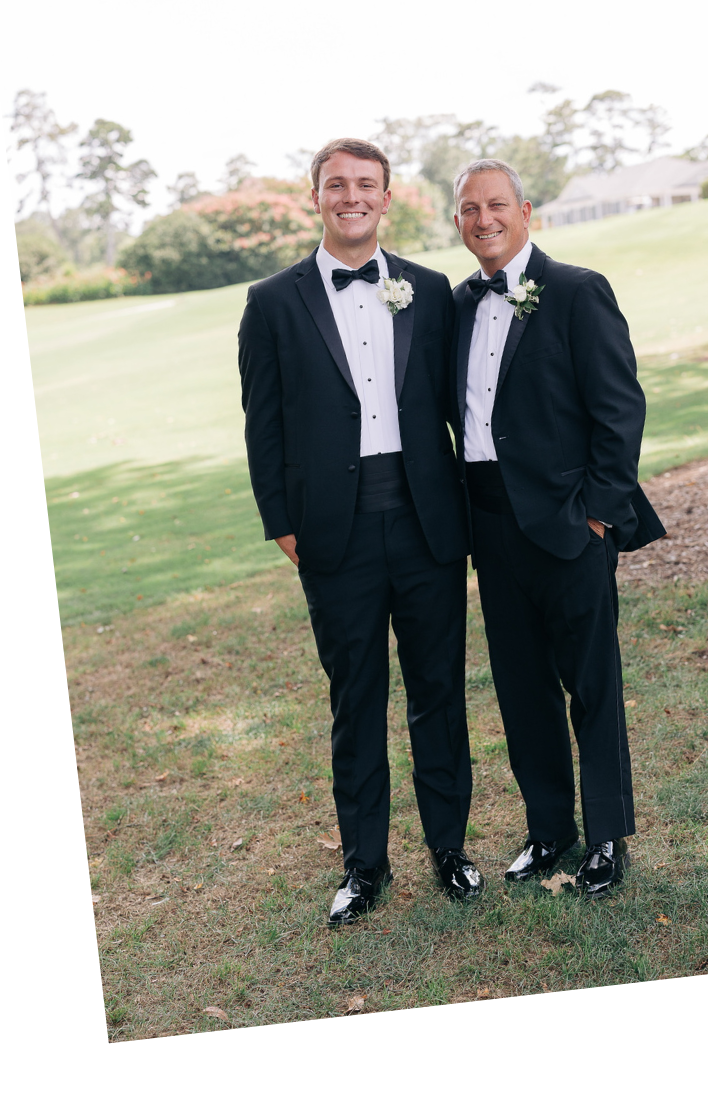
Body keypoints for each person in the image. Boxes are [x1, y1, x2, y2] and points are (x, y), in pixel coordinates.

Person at [237, 139, 475, 926]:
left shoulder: (431, 290)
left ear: (386, 197)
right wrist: (282, 524)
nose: (351, 197)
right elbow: (263, 425)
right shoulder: (272, 302)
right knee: (357, 701)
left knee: (438, 693)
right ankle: (364, 866)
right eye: (336, 185)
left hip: (426, 525)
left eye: (365, 185)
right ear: (316, 197)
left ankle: (449, 849)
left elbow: (460, 407)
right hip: (331, 535)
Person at [449, 159, 665, 900]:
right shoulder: (454, 306)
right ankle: (550, 830)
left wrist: (599, 514)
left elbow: (619, 410)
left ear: (526, 210)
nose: (485, 219)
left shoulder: (575, 290)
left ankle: (605, 836)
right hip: (488, 525)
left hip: (571, 525)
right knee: (520, 687)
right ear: (457, 222)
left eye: (497, 205)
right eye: (471, 209)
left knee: (591, 684)